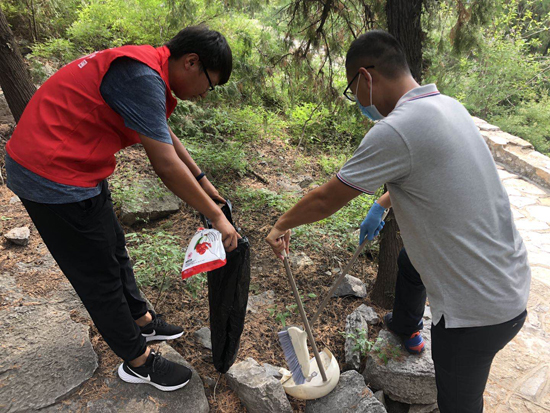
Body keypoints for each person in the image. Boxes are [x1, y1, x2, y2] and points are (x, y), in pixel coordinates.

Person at [266, 30, 530, 412]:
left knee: (458, 404)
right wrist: (382, 204)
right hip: (510, 277)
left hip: (474, 312)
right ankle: (406, 325)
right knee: (409, 261)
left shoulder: (395, 129)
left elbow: (326, 198)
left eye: (352, 91)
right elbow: (435, 170)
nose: (358, 101)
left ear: (365, 77)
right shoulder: (449, 106)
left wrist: (281, 224)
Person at [6, 25, 240, 392]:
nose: (204, 95)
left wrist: (206, 185)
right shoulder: (141, 76)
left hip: (79, 168)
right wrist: (214, 215)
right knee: (98, 276)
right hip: (51, 176)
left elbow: (162, 132)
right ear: (192, 62)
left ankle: (142, 320)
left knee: (115, 249)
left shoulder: (147, 66)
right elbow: (165, 164)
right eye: (209, 85)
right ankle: (137, 361)